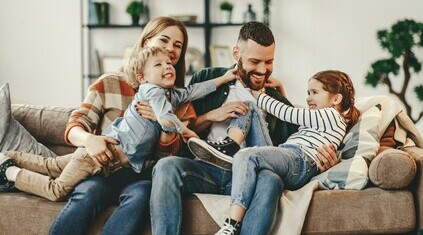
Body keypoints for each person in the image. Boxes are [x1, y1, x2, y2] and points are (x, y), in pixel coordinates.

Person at [1, 16, 191, 235]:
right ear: (146, 42)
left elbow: (168, 158)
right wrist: (90, 140)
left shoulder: (176, 100)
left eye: (178, 45)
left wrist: (163, 121)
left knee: (141, 196)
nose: (170, 49)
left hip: (141, 175)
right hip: (102, 170)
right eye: (164, 41)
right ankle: (9, 165)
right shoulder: (109, 82)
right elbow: (75, 126)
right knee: (87, 192)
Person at [149, 21, 339, 235]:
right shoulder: (207, 78)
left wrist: (328, 160)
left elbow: (295, 151)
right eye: (255, 61)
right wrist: (210, 116)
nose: (262, 70)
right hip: (207, 169)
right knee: (166, 167)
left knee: (271, 179)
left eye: (269, 62)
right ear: (236, 53)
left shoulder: (275, 98)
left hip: (251, 175)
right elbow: (182, 127)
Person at [0, 46, 237, 202]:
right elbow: (165, 118)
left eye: (169, 63)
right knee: (57, 190)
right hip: (100, 155)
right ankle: (10, 172)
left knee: (50, 164)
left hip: (106, 160)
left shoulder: (169, 95)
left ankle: (5, 155)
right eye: (159, 64)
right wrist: (187, 133)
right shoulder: (151, 91)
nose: (168, 66)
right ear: (142, 77)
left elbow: (194, 91)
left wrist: (225, 78)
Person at [213, 70, 360, 234]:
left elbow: (289, 114)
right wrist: (280, 90)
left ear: (336, 99)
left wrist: (258, 93)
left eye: (315, 92)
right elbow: (297, 118)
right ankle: (230, 145)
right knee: (249, 108)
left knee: (246, 154)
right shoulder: (322, 119)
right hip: (287, 156)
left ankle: (231, 224)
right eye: (308, 93)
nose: (308, 98)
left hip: (300, 159)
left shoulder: (331, 115)